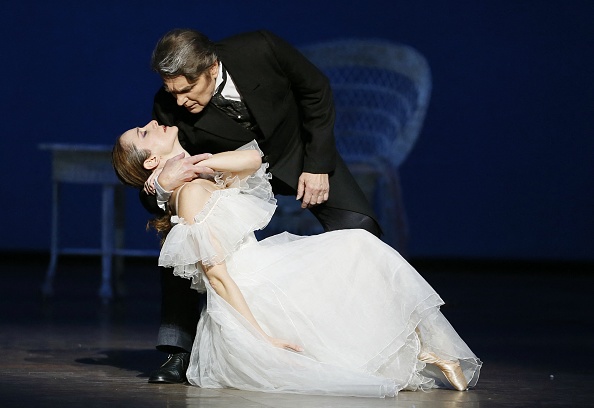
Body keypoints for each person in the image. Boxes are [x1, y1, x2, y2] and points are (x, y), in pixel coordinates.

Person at [112, 121, 482, 397]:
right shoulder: (190, 196)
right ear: (153, 161)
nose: (151, 124)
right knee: (355, 248)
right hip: (252, 293)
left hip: (266, 268)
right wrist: (262, 338)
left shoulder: (196, 178)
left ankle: (425, 346)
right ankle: (424, 348)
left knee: (357, 244)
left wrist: (198, 164)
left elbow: (252, 159)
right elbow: (218, 276)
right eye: (143, 134)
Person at [140, 28, 383, 383]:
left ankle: (369, 338)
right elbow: (149, 180)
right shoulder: (168, 107)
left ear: (211, 67)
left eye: (186, 90)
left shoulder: (260, 49)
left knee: (363, 228)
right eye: (171, 91)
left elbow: (316, 91)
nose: (178, 102)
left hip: (298, 155)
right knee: (183, 233)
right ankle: (179, 349)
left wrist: (317, 164)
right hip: (234, 175)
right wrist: (162, 184)